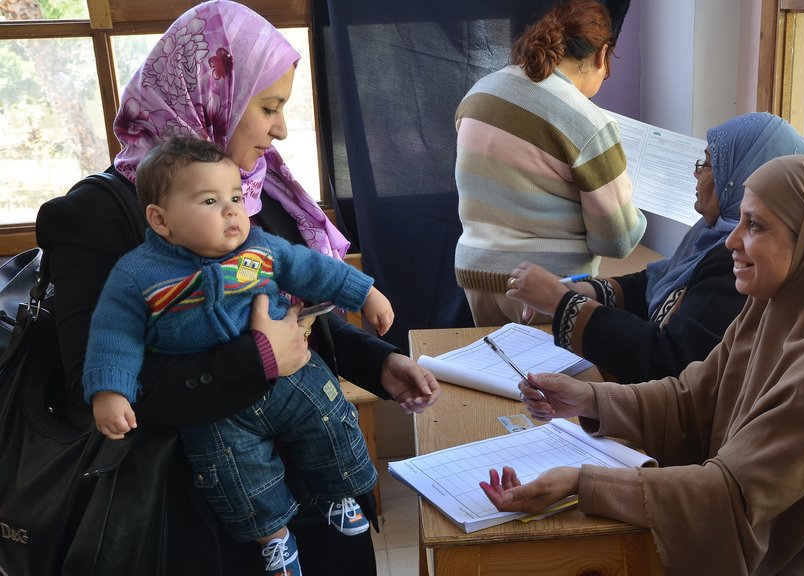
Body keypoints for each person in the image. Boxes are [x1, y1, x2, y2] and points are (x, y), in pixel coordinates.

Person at [34, 2, 440, 574]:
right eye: (269, 106)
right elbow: (93, 381)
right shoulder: (97, 217)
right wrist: (256, 359)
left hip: (314, 491)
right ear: (212, 93)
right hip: (201, 515)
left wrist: (377, 363)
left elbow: (283, 309)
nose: (279, 128)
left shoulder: (254, 190)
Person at [481, 155, 804, 574]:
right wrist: (589, 399)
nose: (732, 242)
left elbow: (732, 495)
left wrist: (583, 483)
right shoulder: (774, 307)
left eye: (755, 226)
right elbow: (691, 399)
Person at [84, 137, 396, 575]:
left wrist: (365, 292)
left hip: (292, 380)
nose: (232, 210)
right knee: (234, 470)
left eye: (235, 197)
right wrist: (109, 391)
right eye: (211, 201)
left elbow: (313, 268)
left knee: (329, 419)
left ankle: (339, 495)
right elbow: (114, 335)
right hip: (218, 408)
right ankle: (273, 538)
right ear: (160, 220)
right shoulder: (138, 277)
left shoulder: (261, 248)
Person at [506, 112, 804, 383]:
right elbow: (656, 284)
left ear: (738, 178)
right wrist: (585, 293)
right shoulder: (710, 233)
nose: (697, 174)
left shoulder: (738, 261)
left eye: (709, 165)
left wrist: (564, 303)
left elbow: (668, 360)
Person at [453, 0, 647, 327]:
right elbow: (617, 241)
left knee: (494, 374)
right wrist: (630, 206)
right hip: (546, 288)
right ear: (602, 55)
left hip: (476, 277)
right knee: (558, 378)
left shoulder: (478, 94)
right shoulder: (588, 122)